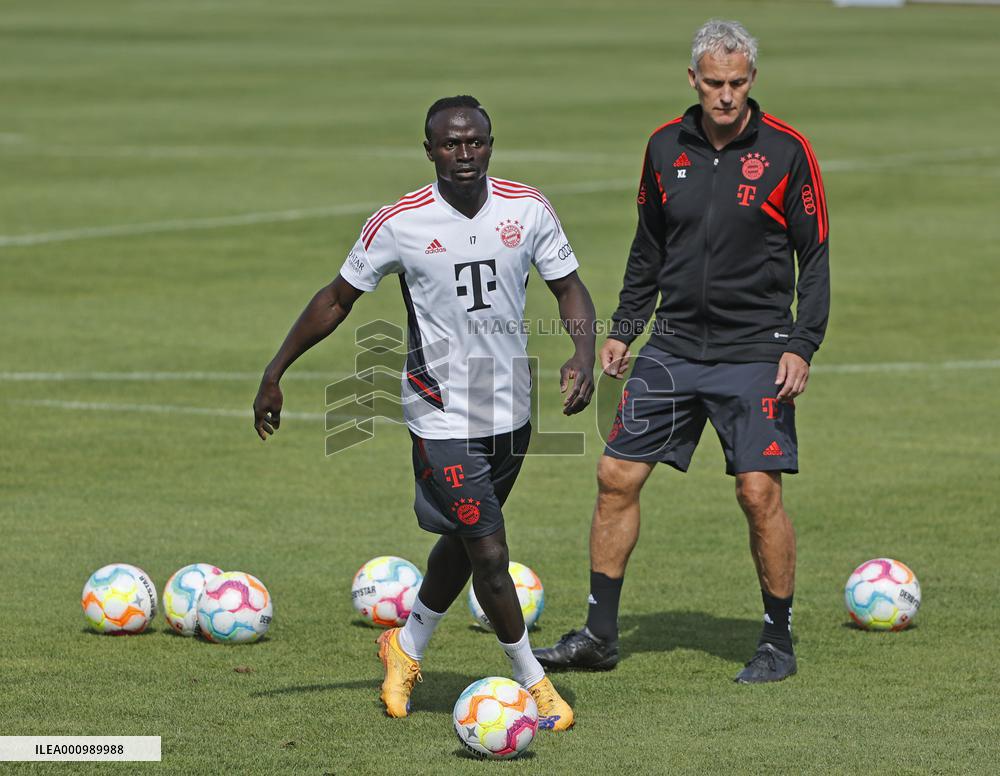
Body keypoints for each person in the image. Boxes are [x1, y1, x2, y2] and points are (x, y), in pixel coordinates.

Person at [253, 95, 596, 726]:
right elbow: (336, 298)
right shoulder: (399, 222)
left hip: (513, 411)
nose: (464, 154)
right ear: (429, 149)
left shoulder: (528, 207)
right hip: (440, 413)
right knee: (491, 553)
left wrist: (582, 350)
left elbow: (568, 286)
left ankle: (405, 647)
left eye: (476, 142)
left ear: (490, 144)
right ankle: (535, 682)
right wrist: (276, 371)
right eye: (450, 144)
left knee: (466, 543)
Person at [533, 20, 830, 683]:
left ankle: (777, 641)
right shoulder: (665, 147)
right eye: (714, 83)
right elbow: (650, 246)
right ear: (692, 79)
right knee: (616, 477)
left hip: (757, 347)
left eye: (738, 82)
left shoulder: (786, 151)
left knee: (758, 493)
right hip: (672, 345)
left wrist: (802, 344)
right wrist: (625, 325)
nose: (726, 95)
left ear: (752, 80)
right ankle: (599, 636)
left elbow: (815, 257)